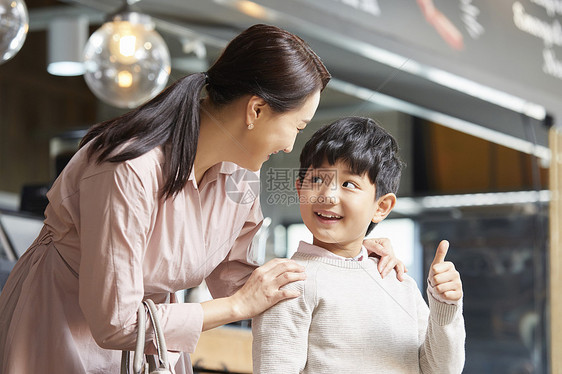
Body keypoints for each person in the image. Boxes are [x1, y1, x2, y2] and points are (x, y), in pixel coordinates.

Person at [0, 25, 405, 373]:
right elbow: (115, 323)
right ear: (257, 110)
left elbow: (238, 279)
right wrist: (235, 309)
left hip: (150, 346)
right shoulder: (131, 169)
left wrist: (345, 255)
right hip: (59, 332)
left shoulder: (240, 176)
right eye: (296, 126)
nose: (289, 146)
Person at [252, 117, 466, 373]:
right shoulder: (289, 282)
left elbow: (442, 370)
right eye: (318, 180)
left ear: (381, 206)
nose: (328, 195)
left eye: (349, 184)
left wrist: (444, 308)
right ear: (299, 189)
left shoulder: (399, 283)